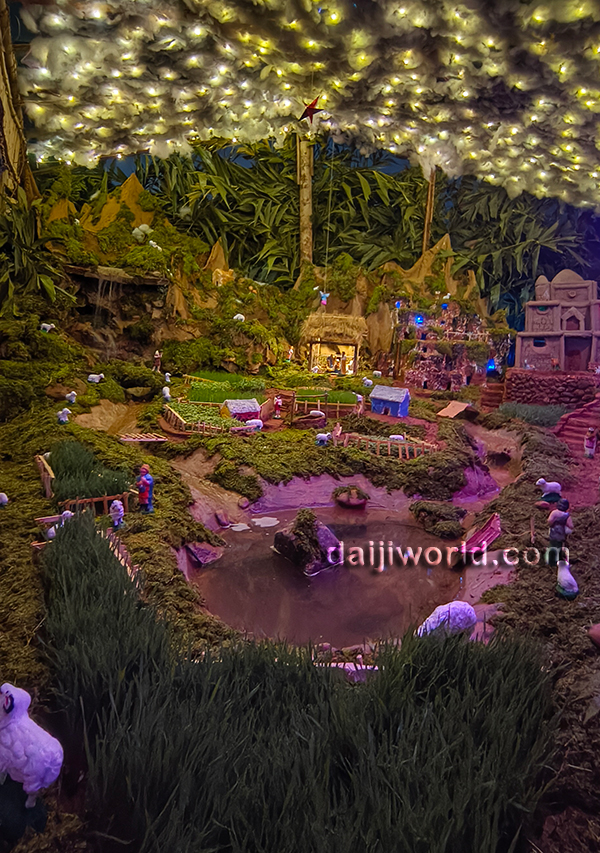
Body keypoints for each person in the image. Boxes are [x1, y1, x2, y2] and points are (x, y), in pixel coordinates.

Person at [547, 498, 573, 567]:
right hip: (561, 533)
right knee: (559, 547)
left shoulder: (554, 512)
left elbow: (549, 521)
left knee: (552, 546)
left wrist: (553, 524)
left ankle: (551, 561)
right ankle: (558, 560)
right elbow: (571, 525)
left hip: (553, 532)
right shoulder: (566, 515)